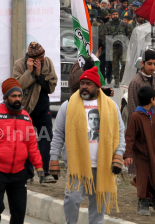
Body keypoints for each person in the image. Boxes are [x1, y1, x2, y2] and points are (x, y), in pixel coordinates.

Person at [49, 66, 126, 224]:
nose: (84, 86)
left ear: (97, 87)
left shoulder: (111, 107)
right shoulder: (68, 105)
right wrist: (53, 158)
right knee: (72, 199)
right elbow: (58, 134)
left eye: (88, 83)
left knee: (98, 205)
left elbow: (120, 133)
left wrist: (119, 154)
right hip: (77, 164)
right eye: (82, 83)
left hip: (103, 165)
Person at [0, 78, 44, 224]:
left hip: (19, 173)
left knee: (19, 213)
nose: (17, 99)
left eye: (19, 96)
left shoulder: (26, 118)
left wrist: (39, 166)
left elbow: (32, 145)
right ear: (6, 97)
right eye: (13, 96)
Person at [13, 42, 58, 183]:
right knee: (25, 143)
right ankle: (28, 174)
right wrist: (29, 72)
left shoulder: (48, 63)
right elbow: (17, 85)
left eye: (43, 55)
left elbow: (51, 87)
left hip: (43, 110)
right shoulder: (19, 65)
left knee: (46, 141)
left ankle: (45, 173)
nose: (43, 58)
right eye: (40, 57)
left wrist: (39, 75)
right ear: (33, 58)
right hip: (26, 111)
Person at [124, 86, 155, 216]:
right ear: (152, 100)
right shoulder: (136, 116)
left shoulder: (154, 116)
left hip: (154, 153)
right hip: (141, 154)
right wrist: (128, 154)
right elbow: (130, 137)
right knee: (144, 178)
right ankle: (143, 202)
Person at [103, 9, 129, 87]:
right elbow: (105, 36)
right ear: (111, 15)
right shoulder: (107, 25)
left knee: (124, 64)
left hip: (123, 47)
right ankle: (117, 82)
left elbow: (129, 34)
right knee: (115, 65)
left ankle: (121, 78)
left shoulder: (124, 24)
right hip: (113, 48)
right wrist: (114, 41)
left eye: (116, 14)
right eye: (113, 14)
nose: (115, 16)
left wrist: (126, 42)